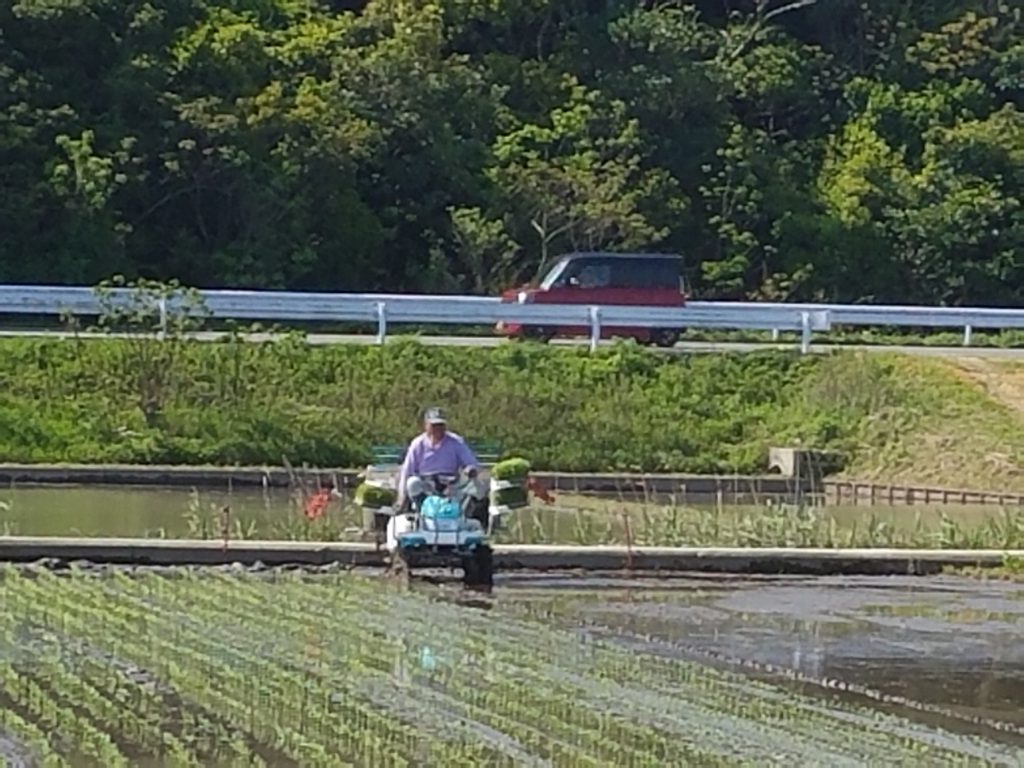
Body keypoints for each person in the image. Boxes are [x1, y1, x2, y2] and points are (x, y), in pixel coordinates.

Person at [396, 407, 480, 510]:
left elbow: (472, 463)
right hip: (426, 485)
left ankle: (462, 516)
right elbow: (407, 471)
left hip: (450, 485)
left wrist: (470, 469)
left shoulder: (456, 442)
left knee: (473, 487)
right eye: (434, 425)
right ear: (426, 425)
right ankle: (423, 511)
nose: (438, 429)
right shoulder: (418, 444)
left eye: (441, 425)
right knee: (412, 483)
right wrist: (401, 497)